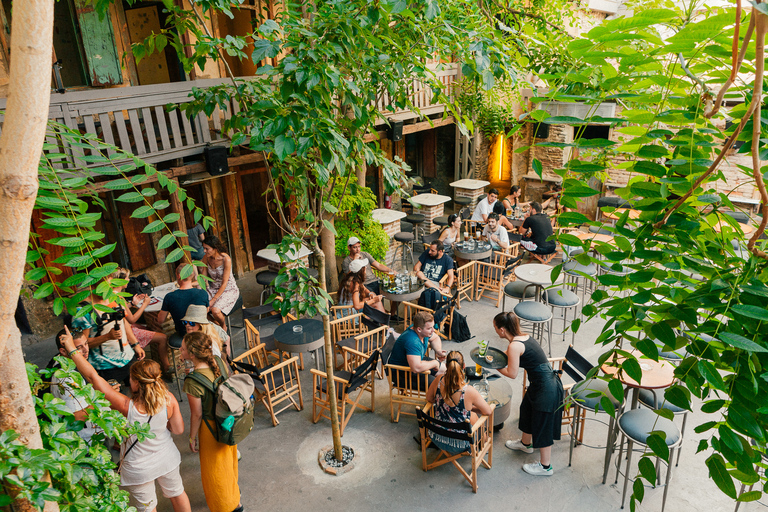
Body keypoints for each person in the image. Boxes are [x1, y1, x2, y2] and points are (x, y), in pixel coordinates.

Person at [59, 327, 191, 512]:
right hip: (166, 457)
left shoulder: (125, 406)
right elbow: (177, 430)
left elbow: (92, 376)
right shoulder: (168, 399)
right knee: (177, 493)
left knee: (148, 507)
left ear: (136, 382)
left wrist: (71, 349)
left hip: (139, 467)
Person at [494, 312, 564, 477]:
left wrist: (495, 366)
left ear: (502, 330)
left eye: (495, 328)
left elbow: (511, 373)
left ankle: (546, 467)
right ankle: (526, 444)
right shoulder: (523, 337)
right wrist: (492, 356)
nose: (496, 330)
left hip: (547, 389)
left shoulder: (514, 346)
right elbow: (508, 355)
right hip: (541, 384)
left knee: (542, 424)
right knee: (526, 409)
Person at [182, 331, 243, 512]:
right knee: (228, 464)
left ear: (192, 354)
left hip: (211, 430)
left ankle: (227, 507)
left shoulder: (192, 382)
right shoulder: (218, 360)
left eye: (183, 348)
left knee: (215, 473)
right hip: (227, 422)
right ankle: (236, 499)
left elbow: (197, 415)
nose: (180, 350)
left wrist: (192, 437)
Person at [72, 268, 145, 386]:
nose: (110, 291)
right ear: (95, 286)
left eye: (112, 286)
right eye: (106, 287)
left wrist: (135, 344)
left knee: (140, 393)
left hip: (128, 358)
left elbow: (124, 322)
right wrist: (107, 337)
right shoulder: (83, 310)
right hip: (105, 366)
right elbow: (80, 346)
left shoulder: (116, 298)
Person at [426, 351, 493, 453]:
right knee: (473, 416)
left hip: (437, 437)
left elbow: (429, 398)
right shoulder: (468, 391)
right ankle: (484, 443)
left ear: (446, 366)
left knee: (470, 414)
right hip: (460, 444)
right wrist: (471, 408)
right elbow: (488, 411)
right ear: (464, 366)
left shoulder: (439, 380)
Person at [117, 268, 172, 379]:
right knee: (163, 338)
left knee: (148, 328)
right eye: (127, 277)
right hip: (127, 332)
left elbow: (120, 311)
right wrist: (144, 305)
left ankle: (157, 362)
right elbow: (132, 319)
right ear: (120, 281)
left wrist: (132, 303)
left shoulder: (114, 297)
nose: (129, 280)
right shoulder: (120, 298)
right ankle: (167, 368)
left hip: (123, 329)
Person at [48, 328, 98, 443]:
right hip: (80, 438)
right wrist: (104, 398)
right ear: (63, 351)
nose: (86, 350)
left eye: (86, 344)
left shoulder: (61, 360)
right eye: (78, 348)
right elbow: (75, 417)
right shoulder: (66, 378)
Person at [387, 311, 445, 391]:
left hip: (415, 360)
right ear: (419, 329)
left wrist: (438, 350)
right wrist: (434, 363)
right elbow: (416, 368)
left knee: (445, 370)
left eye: (432, 327)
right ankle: (437, 400)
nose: (433, 330)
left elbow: (435, 338)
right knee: (438, 385)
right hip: (401, 373)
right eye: (429, 328)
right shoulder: (413, 341)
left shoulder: (421, 330)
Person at [157, 263, 210, 343]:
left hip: (183, 334)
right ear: (192, 275)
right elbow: (206, 312)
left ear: (178, 276)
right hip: (201, 331)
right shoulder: (203, 293)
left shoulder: (170, 296)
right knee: (226, 338)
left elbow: (160, 320)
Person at [201, 235, 241, 330]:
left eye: (207, 248)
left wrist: (212, 300)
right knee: (200, 309)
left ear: (215, 248)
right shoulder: (206, 258)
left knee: (215, 310)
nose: (204, 251)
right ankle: (216, 325)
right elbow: (203, 278)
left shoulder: (225, 259)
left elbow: (224, 283)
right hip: (213, 288)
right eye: (204, 248)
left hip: (228, 289)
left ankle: (223, 327)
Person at [414, 240, 454, 310]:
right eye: (430, 249)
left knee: (426, 295)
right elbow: (416, 267)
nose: (429, 252)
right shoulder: (427, 253)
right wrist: (418, 272)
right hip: (421, 280)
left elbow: (451, 276)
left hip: (435, 283)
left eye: (432, 251)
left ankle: (424, 312)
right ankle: (392, 315)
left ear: (440, 251)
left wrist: (447, 287)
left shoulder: (447, 260)